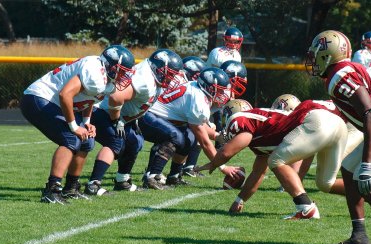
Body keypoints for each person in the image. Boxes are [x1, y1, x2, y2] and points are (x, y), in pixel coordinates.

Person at [305, 30, 371, 244]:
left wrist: (366, 163)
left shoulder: (339, 75)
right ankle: (359, 236)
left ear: (328, 55)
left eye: (316, 55)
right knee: (348, 170)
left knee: (363, 176)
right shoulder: (343, 71)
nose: (313, 60)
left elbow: (370, 114)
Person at [196, 99, 348, 220]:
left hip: (315, 122)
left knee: (276, 160)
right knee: (326, 182)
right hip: (336, 125)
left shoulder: (238, 120)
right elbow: (258, 173)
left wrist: (214, 163)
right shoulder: (263, 132)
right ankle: (366, 192)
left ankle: (306, 208)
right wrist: (239, 200)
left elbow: (227, 152)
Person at [20, 45, 135, 204]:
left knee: (87, 141)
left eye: (126, 72)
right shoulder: (94, 71)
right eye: (121, 70)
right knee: (71, 138)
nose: (123, 76)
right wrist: (74, 126)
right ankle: (52, 189)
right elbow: (65, 94)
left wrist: (87, 123)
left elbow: (88, 99)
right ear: (109, 65)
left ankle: (71, 188)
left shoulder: (105, 80)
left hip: (55, 102)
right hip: (38, 97)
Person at [83, 49, 184, 195]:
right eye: (170, 74)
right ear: (159, 68)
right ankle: (93, 184)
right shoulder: (146, 80)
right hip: (103, 110)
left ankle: (122, 181)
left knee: (135, 141)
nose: (172, 78)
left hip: (118, 114)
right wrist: (116, 120)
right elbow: (116, 98)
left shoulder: (151, 76)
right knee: (116, 141)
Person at [138, 67, 241, 190]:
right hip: (148, 117)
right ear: (209, 87)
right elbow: (204, 142)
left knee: (190, 137)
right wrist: (222, 167)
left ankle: (174, 176)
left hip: (160, 117)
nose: (223, 95)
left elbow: (197, 126)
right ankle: (152, 177)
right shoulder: (198, 99)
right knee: (176, 136)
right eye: (220, 91)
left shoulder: (197, 89)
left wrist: (216, 136)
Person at [182, 60, 248, 177]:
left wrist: (216, 135)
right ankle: (185, 167)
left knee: (205, 129)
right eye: (236, 81)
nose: (238, 85)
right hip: (177, 116)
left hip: (187, 115)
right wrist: (222, 166)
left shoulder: (214, 92)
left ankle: (188, 166)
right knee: (197, 134)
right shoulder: (203, 94)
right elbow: (202, 134)